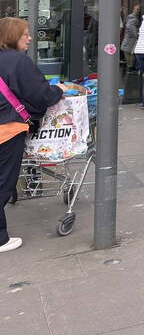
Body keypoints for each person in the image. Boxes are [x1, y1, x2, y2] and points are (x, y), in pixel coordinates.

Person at [0, 18, 66, 252]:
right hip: (7, 129)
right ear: (12, 37)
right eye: (25, 34)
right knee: (4, 183)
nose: (29, 38)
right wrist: (59, 89)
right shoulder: (18, 61)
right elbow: (42, 95)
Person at [120, 4, 142, 72]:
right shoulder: (133, 19)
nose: (138, 11)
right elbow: (132, 30)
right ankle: (130, 68)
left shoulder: (131, 18)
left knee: (130, 54)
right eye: (137, 9)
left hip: (129, 40)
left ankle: (130, 67)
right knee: (130, 54)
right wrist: (137, 35)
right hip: (130, 41)